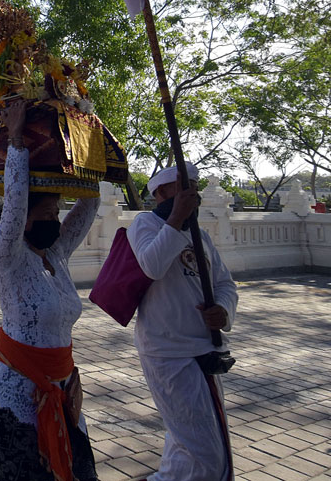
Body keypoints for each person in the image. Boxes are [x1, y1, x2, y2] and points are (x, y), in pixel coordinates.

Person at [0, 100, 100, 481]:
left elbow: (90, 204)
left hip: (62, 389)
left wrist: (86, 144)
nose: (55, 221)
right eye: (46, 215)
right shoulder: (9, 255)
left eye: (56, 214)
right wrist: (16, 139)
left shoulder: (57, 253)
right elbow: (12, 206)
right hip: (11, 392)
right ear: (25, 220)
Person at [128, 164, 238, 481]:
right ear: (161, 193)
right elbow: (151, 266)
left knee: (189, 442)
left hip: (205, 347)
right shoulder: (144, 224)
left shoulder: (200, 235)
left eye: (195, 186)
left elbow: (225, 284)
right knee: (207, 455)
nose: (194, 194)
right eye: (184, 187)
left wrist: (223, 309)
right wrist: (175, 218)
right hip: (167, 351)